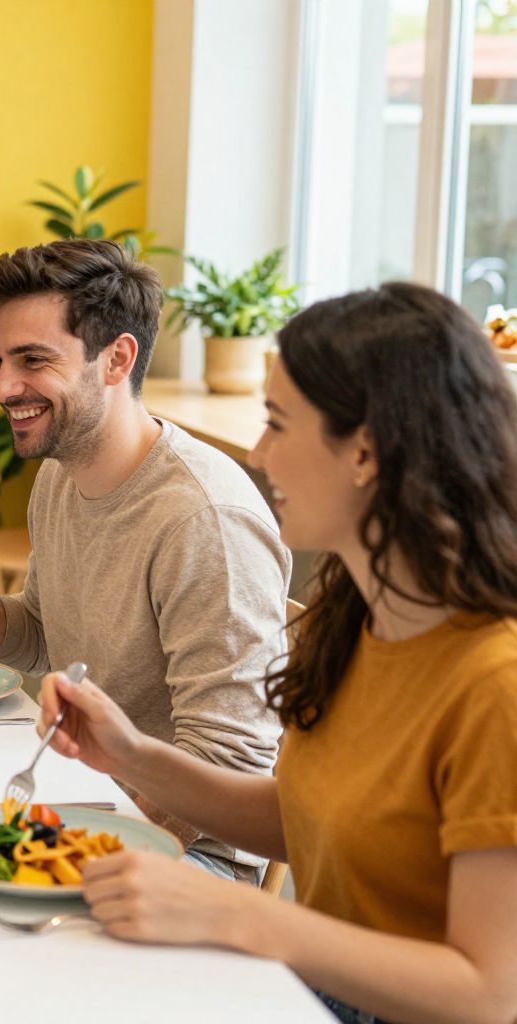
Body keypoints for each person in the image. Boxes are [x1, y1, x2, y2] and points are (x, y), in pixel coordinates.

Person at [35, 282, 517, 1024]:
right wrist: (129, 752)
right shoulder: (356, 612)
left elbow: (490, 995)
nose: (258, 456)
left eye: (277, 425)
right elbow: (302, 816)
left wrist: (238, 917)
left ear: (366, 452)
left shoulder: (494, 684)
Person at [0, 239, 289, 881]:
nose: (2, 386)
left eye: (32, 359)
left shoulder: (204, 520)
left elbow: (229, 759)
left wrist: (69, 857)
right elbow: (39, 636)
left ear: (117, 359)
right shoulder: (63, 474)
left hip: (189, 853)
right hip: (83, 798)